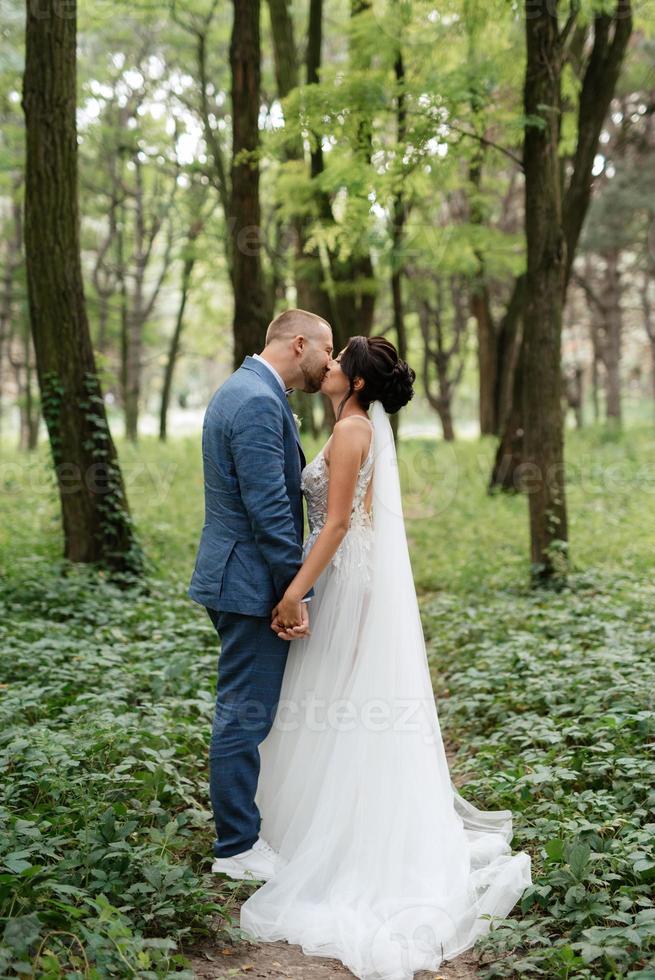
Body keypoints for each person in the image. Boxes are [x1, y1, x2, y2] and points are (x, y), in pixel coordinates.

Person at [236, 334, 532, 980]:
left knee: (343, 702)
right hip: (344, 571)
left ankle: (351, 842)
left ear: (359, 383)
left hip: (345, 577)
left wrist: (292, 591)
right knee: (336, 703)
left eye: (340, 362)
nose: (330, 366)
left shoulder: (350, 434)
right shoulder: (351, 424)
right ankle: (324, 825)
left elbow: (337, 523)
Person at [188, 308, 332, 881]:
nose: (330, 361)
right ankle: (236, 848)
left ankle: (243, 833)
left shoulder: (251, 390)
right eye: (326, 349)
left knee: (246, 711)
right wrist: (292, 591)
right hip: (247, 583)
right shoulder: (254, 401)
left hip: (241, 577)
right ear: (300, 344)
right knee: (242, 716)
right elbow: (269, 510)